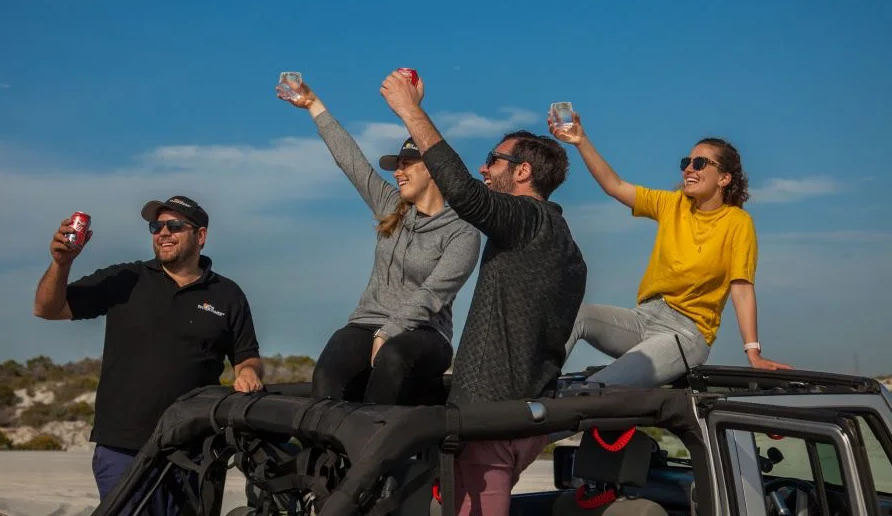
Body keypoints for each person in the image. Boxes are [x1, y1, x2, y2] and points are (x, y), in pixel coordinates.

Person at [378, 70, 587, 516]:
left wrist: (409, 110)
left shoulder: (528, 220)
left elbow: (463, 193)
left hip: (490, 422)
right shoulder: (566, 244)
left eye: (494, 159)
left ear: (523, 171)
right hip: (524, 419)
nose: (484, 169)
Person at [33, 195, 264, 513]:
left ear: (200, 236)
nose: (163, 233)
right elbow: (48, 308)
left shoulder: (227, 294)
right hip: (124, 449)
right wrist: (61, 264)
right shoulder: (126, 279)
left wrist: (248, 372)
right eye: (156, 227)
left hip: (194, 450)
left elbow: (247, 356)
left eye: (174, 226)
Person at [276, 79, 480, 404]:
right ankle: (326, 437)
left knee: (393, 356)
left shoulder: (462, 232)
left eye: (406, 165)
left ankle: (372, 434)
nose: (397, 172)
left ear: (432, 170)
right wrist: (314, 105)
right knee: (330, 368)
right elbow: (351, 161)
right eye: (396, 166)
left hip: (425, 333)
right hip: (367, 322)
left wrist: (389, 331)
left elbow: (432, 294)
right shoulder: (390, 205)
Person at [552, 111, 792, 388]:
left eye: (699, 163)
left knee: (594, 389)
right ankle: (529, 388)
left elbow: (741, 288)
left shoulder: (738, 222)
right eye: (686, 162)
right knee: (575, 314)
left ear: (724, 178)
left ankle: (553, 408)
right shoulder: (672, 204)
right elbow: (614, 186)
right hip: (644, 318)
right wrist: (581, 141)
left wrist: (753, 353)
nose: (689, 169)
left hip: (684, 334)